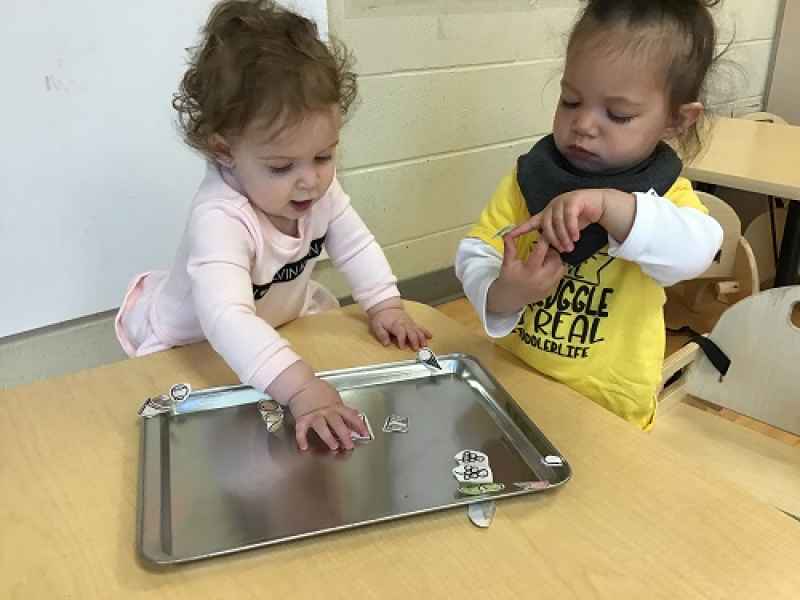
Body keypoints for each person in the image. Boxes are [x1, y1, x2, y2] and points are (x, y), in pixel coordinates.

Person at [115, 0, 431, 451]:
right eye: (281, 166)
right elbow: (226, 319)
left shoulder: (318, 189)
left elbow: (354, 243)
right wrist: (302, 388)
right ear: (225, 150)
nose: (311, 181)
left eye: (324, 156)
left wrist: (385, 304)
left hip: (274, 322)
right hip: (193, 345)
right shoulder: (220, 217)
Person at [456, 0, 724, 430]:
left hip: (607, 407)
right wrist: (506, 292)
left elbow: (698, 251)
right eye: (570, 100)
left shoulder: (664, 194)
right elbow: (476, 249)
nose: (583, 124)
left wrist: (610, 206)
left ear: (677, 120)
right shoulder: (531, 178)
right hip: (516, 381)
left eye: (617, 114)